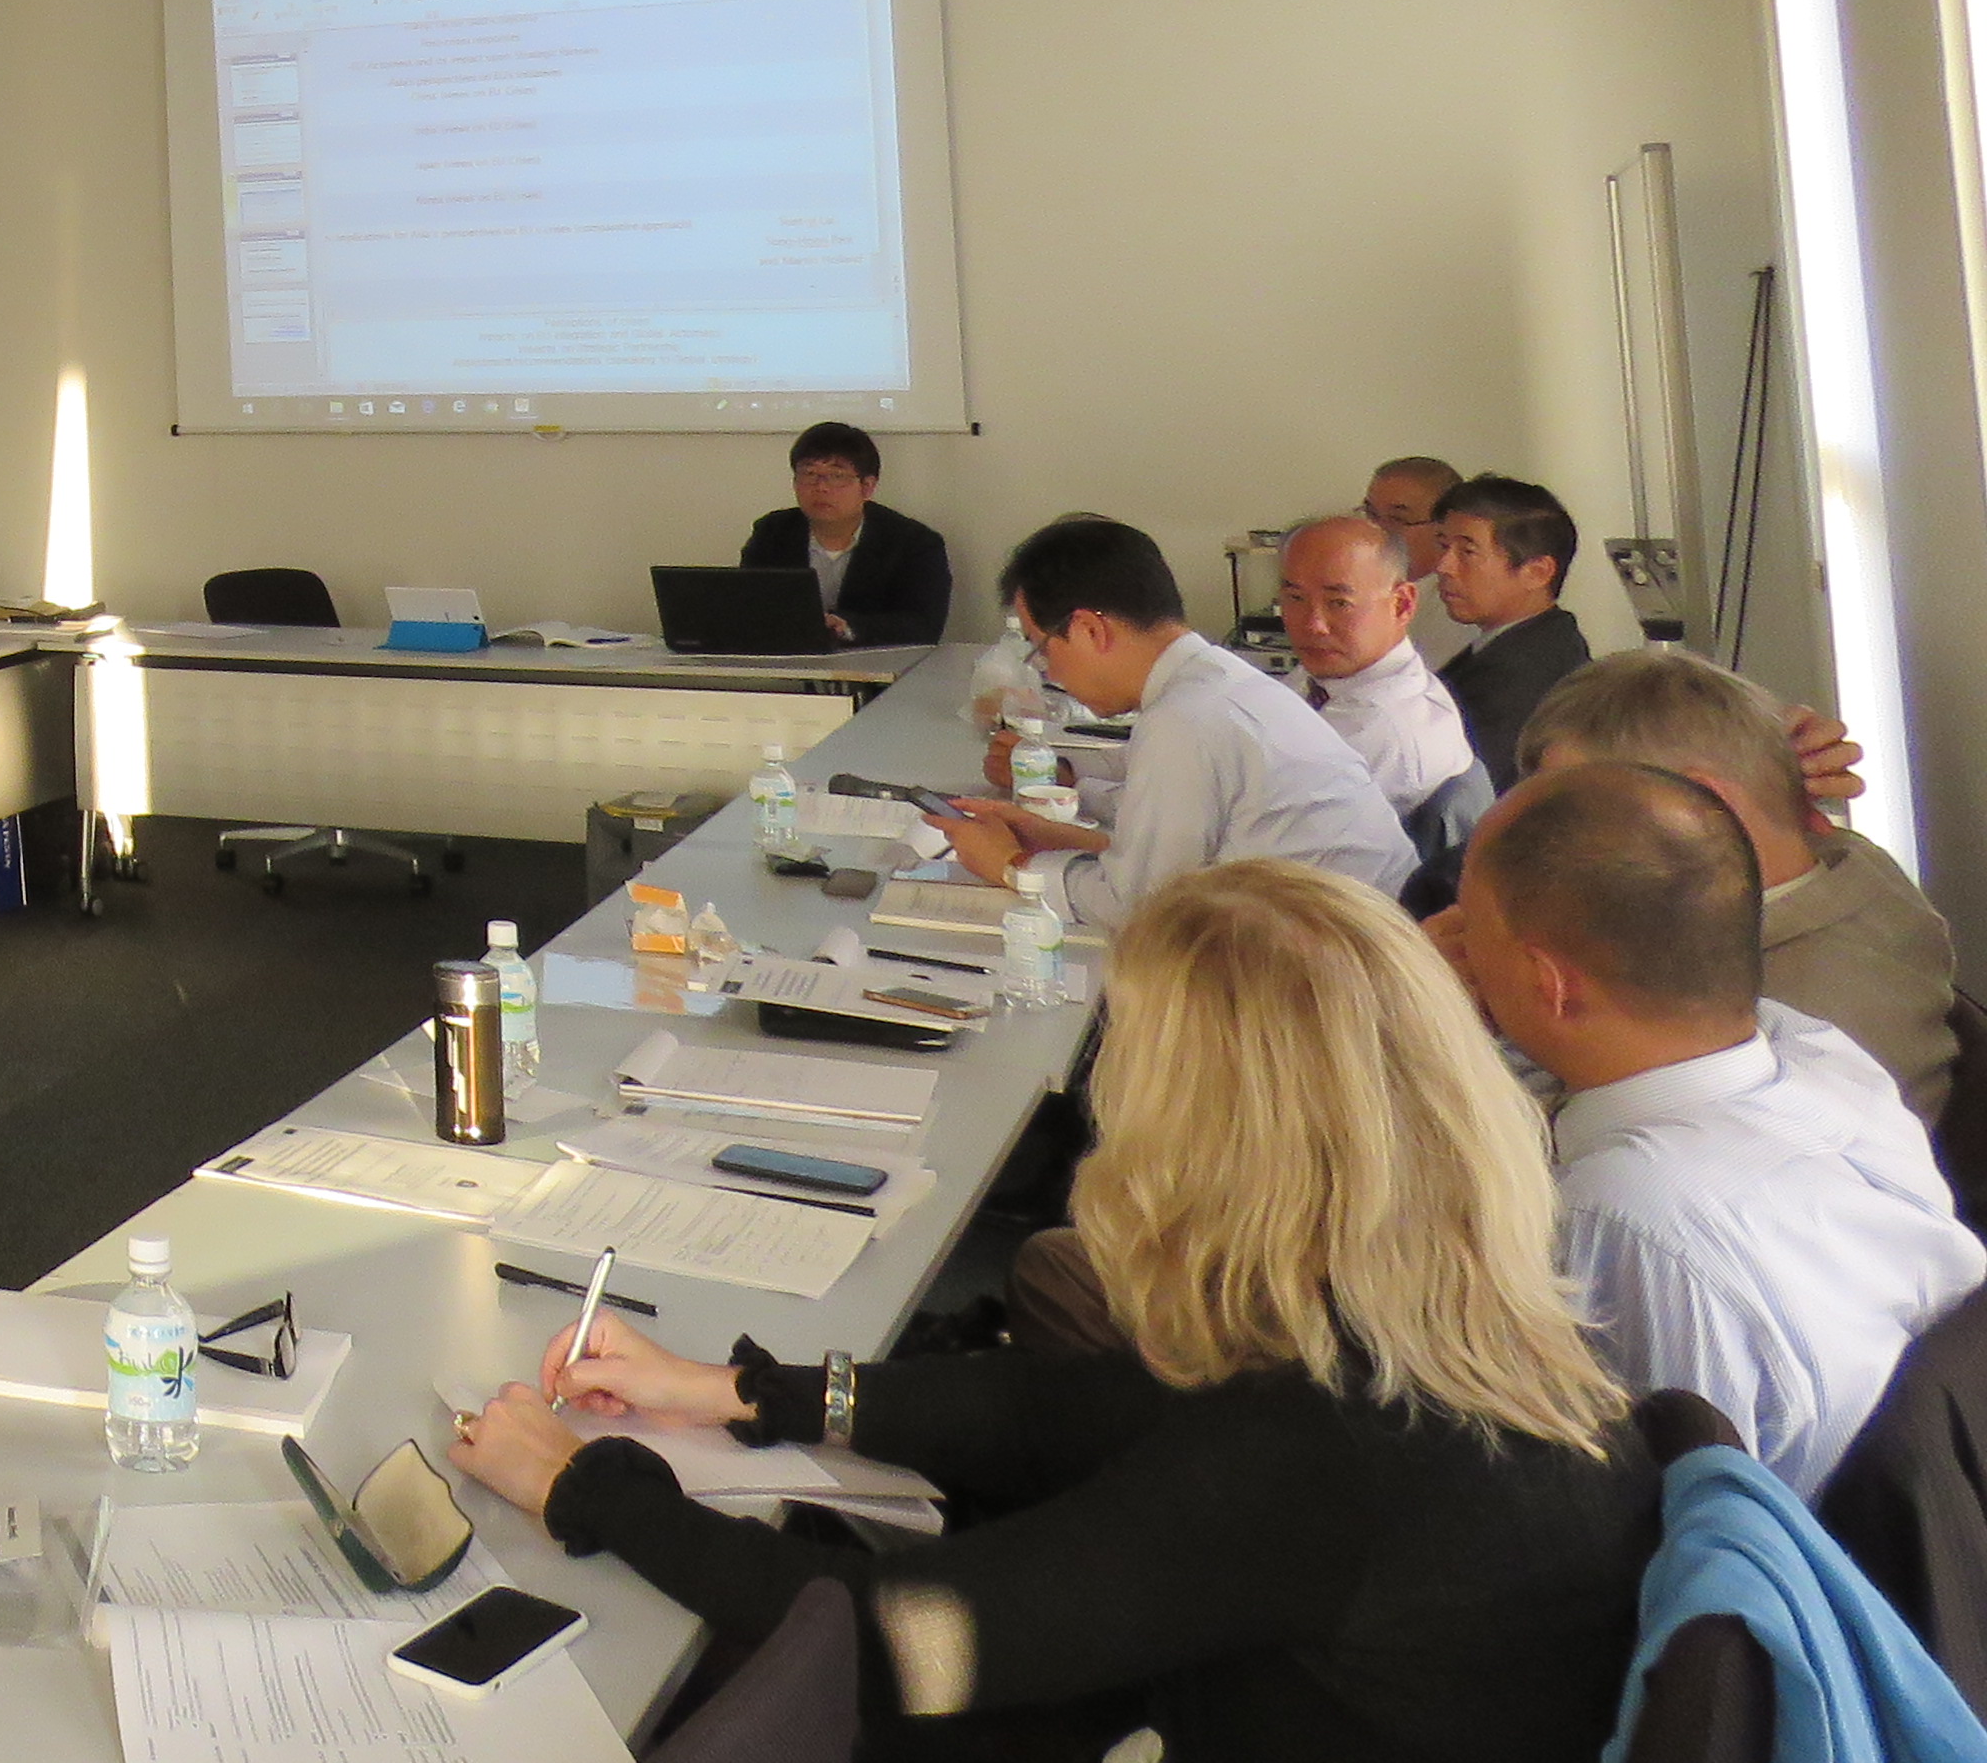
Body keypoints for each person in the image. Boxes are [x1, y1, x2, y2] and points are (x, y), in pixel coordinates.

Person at [448, 861, 1659, 1763]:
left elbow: (903, 1640)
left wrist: (583, 1487)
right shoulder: (1441, 1323)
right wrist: (743, 1394)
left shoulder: (1335, 1458)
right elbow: (1070, 1412)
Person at [1445, 761, 1978, 1492]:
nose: (1452, 945)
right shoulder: (1817, 1052)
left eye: (1469, 926)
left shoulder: (1624, 1217)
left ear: (1549, 982)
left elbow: (1649, 1526)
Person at [1513, 649, 1958, 1115]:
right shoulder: (1851, 868)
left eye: (1577, 819)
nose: (1555, 855)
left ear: (1698, 808)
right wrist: (1766, 757)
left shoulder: (1774, 1026)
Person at [934, 516, 1413, 926]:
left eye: (1042, 650)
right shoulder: (1217, 678)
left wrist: (1011, 866)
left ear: (1089, 629)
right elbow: (1190, 853)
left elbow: (1144, 910)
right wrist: (1064, 841)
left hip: (1326, 963)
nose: (1050, 672)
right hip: (1339, 931)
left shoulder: (1185, 719)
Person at [1271, 515, 1477, 819]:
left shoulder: (1383, 731)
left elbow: (1273, 833)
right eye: (1295, 598)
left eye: (1339, 603)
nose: (1314, 625)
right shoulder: (1324, 679)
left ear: (1402, 604)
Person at [1434, 470, 1592, 787]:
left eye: (1467, 552)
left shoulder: (1526, 673)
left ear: (1537, 572)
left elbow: (1469, 795)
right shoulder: (1523, 645)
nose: (1444, 567)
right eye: (1444, 546)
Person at [731, 420, 952, 645]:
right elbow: (747, 608)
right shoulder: (772, 532)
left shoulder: (915, 543)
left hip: (875, 663)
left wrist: (847, 627)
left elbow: (923, 626)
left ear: (867, 486)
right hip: (789, 659)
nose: (821, 487)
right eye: (809, 474)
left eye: (836, 476)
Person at [1367, 450, 1468, 661]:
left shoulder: (1457, 609)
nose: (1376, 530)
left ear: (1444, 527)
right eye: (1370, 514)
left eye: (1397, 519)